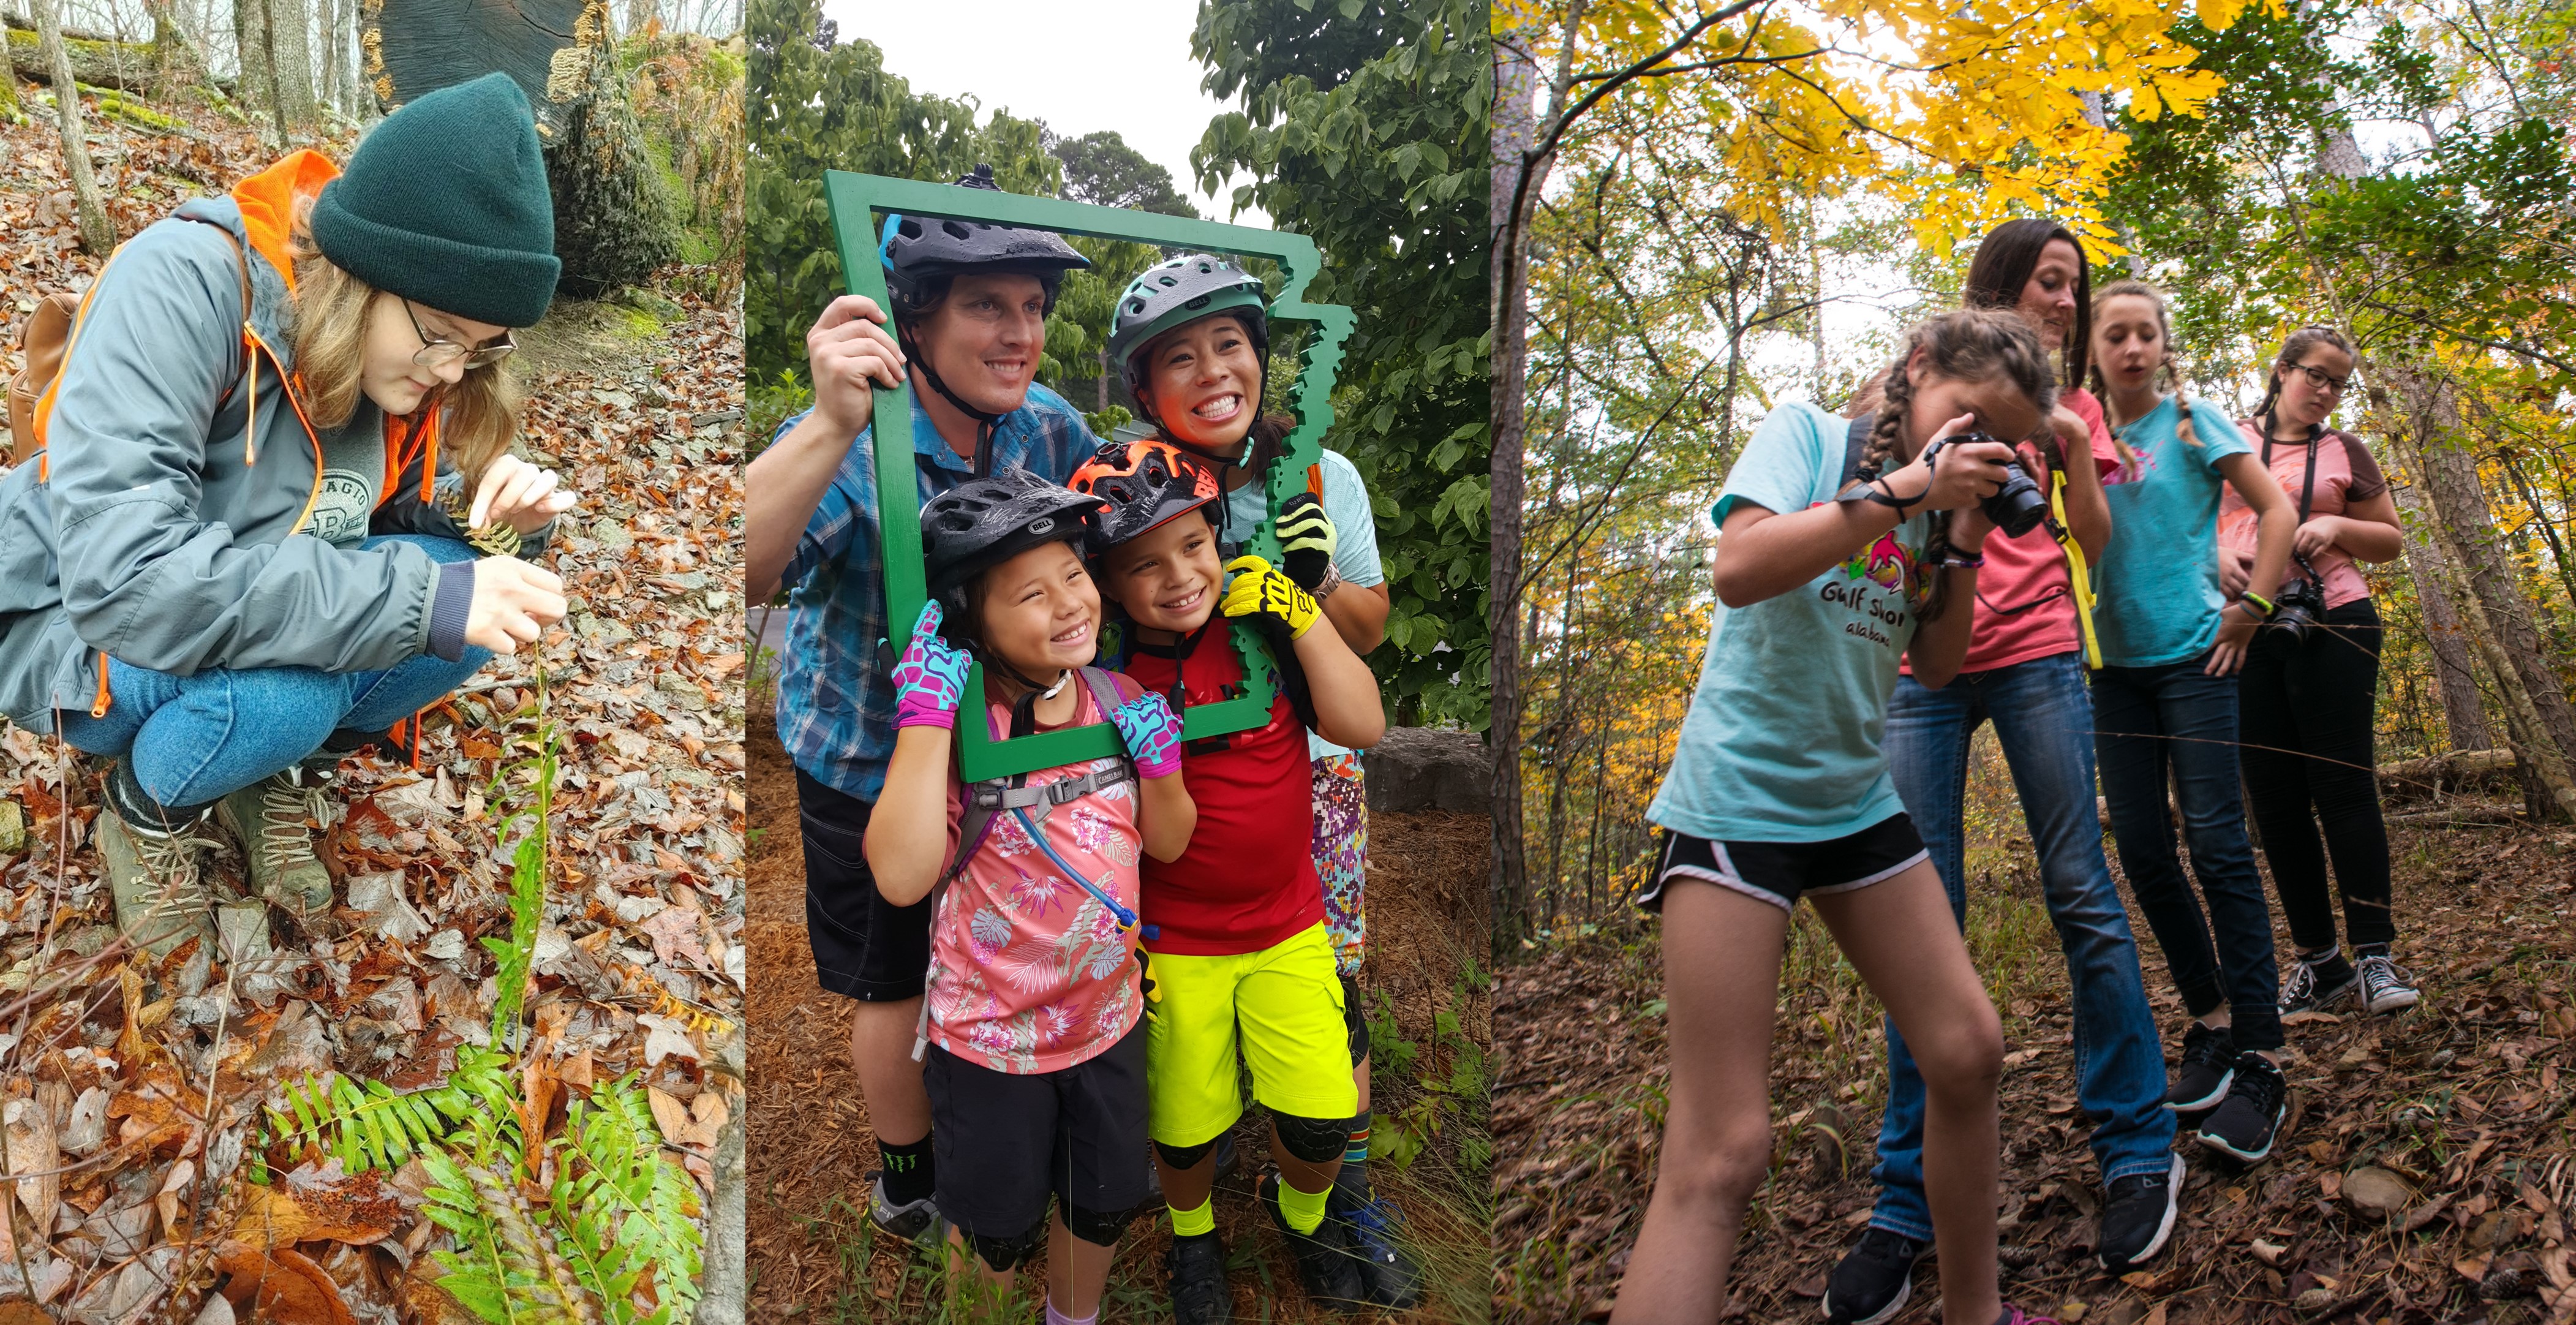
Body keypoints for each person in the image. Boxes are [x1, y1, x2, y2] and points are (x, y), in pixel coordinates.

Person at [0, 74, 572, 957]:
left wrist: (503, 532)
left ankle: (266, 767)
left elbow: (378, 528)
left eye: (485, 347)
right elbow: (126, 579)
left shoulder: (399, 354)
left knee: (468, 620)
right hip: (75, 634)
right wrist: (418, 594)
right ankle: (144, 810)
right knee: (311, 677)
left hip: (225, 618)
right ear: (366, 273)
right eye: (444, 335)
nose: (455, 372)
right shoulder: (182, 283)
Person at [1616, 309, 2054, 1325]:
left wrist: (1957, 543)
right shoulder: (1806, 435)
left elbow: (1937, 666)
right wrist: (1904, 490)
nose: (1982, 450)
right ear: (1916, 370)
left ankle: (1974, 1314)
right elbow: (1738, 567)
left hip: (1853, 803)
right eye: (1970, 420)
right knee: (1722, 1149)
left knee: (1967, 1048)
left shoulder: (1934, 514)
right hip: (1735, 805)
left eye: (2006, 443)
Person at [1822, 222, 2181, 1325]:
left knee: (2082, 891)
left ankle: (2136, 1143)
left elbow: (2093, 539)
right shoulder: (1911, 379)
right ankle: (1904, 1198)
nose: (2067, 302)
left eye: (2075, 285)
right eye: (2051, 280)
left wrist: (2068, 448)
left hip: (2032, 654)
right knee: (1920, 922)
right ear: (2001, 284)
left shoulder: (2066, 410)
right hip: (1916, 666)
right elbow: (1849, 502)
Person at [743, 166, 1097, 1240]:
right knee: (892, 978)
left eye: (1033, 307)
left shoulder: (1049, 427)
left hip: (998, 758)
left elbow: (1113, 555)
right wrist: (826, 420)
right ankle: (909, 1181)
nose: (1019, 332)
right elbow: (735, 571)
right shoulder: (857, 444)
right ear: (915, 315)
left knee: (989, 946)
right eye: (988, 304)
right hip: (862, 755)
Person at [1105, 254, 1415, 1307]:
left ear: (1262, 358)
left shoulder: (1317, 473)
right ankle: (1194, 1187)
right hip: (1176, 773)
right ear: (1146, 389)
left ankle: (1338, 1199)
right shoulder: (1125, 488)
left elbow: (1370, 628)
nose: (1211, 371)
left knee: (1334, 993)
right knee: (1181, 1012)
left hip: (1308, 768)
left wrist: (1311, 579)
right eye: (1178, 358)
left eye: (1229, 345)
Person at [862, 471, 1192, 1324]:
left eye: (1074, 575)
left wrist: (1160, 768)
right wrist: (927, 725)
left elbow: (1166, 841)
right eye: (1031, 593)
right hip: (992, 1043)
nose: (1069, 603)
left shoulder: (1118, 702)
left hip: (1106, 1024)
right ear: (975, 619)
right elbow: (901, 875)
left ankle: (1071, 1317)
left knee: (1102, 1199)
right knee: (995, 1227)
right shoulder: (971, 729)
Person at [1075, 436, 1389, 1319]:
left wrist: (1298, 610)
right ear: (1106, 583)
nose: (1178, 575)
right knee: (1182, 1129)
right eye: (1142, 564)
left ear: (1219, 538)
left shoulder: (1262, 636)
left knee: (1323, 1118)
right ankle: (1194, 1238)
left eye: (1192, 546)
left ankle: (1304, 1215)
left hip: (1289, 925)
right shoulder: (1104, 680)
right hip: (1178, 940)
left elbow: (1362, 722)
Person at [2084, 280, 2298, 1161]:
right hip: (2107, 671)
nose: (2131, 348)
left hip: (2195, 658)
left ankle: (2260, 1052)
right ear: (2091, 348)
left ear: (2163, 345)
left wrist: (2251, 603)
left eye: (2145, 334)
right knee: (2140, 848)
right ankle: (2209, 1022)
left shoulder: (2190, 420)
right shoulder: (2077, 432)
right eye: (2115, 335)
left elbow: (2278, 509)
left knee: (2214, 841)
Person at [2219, 327, 2417, 1015]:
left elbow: (2390, 538)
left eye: (2338, 382)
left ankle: (2375, 959)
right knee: (2273, 799)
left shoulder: (2345, 450)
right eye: (2315, 376)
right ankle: (2320, 962)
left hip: (2335, 618)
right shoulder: (2228, 437)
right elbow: (2184, 523)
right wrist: (2215, 562)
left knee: (2344, 785)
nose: (2326, 392)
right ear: (2281, 371)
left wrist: (2335, 529)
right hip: (2243, 626)